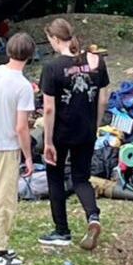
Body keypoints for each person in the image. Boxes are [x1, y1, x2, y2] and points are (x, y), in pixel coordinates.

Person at [38, 18, 110, 252]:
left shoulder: (52, 68)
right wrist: (95, 125)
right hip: (86, 129)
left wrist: (48, 140)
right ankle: (93, 217)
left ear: (56, 39)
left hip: (61, 131)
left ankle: (61, 230)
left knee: (56, 178)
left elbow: (49, 108)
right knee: (81, 178)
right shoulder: (96, 61)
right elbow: (103, 98)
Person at [0, 33, 37, 265]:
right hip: (6, 147)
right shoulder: (22, 86)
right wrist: (29, 155)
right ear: (30, 56)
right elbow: (21, 127)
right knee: (4, 200)